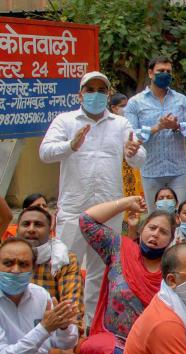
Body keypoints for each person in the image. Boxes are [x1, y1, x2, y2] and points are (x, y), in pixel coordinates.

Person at [39, 71, 145, 329]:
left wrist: (133, 152)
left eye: (101, 90)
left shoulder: (120, 124)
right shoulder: (65, 121)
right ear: (80, 94)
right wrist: (71, 146)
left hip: (109, 209)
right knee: (64, 266)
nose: (95, 94)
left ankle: (91, 327)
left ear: (108, 95)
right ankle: (64, 327)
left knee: (100, 272)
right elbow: (45, 152)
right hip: (74, 209)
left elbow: (139, 156)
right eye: (90, 89)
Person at [77, 197, 175, 354]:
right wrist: (127, 203)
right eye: (152, 228)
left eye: (163, 232)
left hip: (150, 349)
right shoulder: (119, 249)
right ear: (142, 230)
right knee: (92, 348)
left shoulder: (174, 270)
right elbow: (86, 220)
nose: (155, 234)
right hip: (112, 341)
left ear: (170, 241)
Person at [125, 55, 186, 211]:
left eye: (168, 71)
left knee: (181, 213)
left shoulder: (181, 100)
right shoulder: (135, 102)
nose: (165, 74)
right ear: (150, 73)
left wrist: (177, 126)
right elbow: (130, 135)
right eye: (160, 71)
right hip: (151, 170)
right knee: (154, 216)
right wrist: (156, 128)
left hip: (178, 170)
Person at [17, 206, 85, 354]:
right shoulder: (6, 255)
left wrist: (58, 325)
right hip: (10, 333)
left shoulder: (63, 259)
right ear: (17, 229)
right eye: (26, 224)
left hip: (53, 334)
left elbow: (71, 311)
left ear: (50, 230)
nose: (31, 229)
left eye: (38, 225)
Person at [111, 93, 145, 216]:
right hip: (117, 169)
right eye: (122, 106)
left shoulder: (128, 123)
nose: (125, 108)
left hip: (131, 167)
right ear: (114, 108)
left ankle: (134, 225)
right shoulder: (110, 125)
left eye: (127, 105)